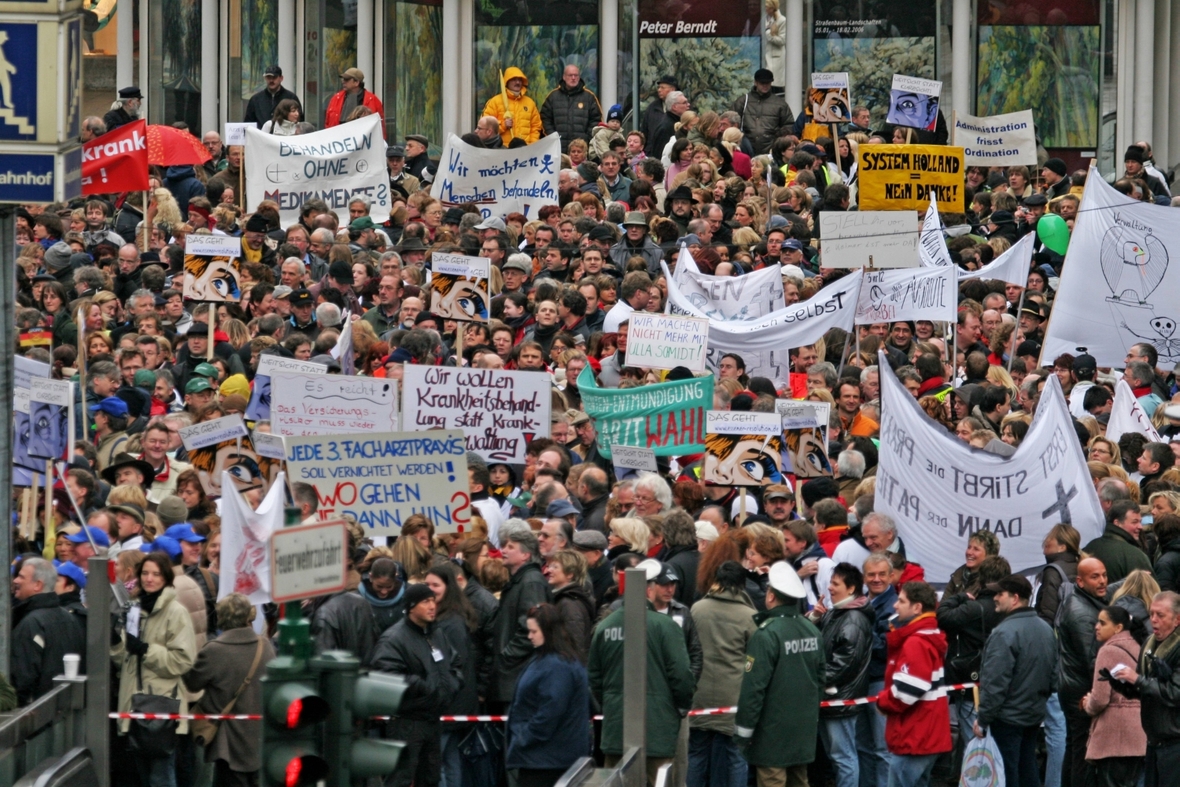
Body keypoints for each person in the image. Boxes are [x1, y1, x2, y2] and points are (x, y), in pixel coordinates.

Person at [589, 559, 695, 786]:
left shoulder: (605, 627)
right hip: (657, 729)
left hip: (617, 729)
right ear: (648, 589)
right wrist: (679, 707)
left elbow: (595, 679)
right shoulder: (666, 627)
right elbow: (682, 676)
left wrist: (612, 704)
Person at [734, 561, 824, 787]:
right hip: (802, 732)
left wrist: (743, 733)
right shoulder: (812, 630)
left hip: (771, 736)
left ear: (771, 597)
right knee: (799, 780)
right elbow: (820, 679)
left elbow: (754, 689)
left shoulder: (767, 634)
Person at [113, 553, 198, 787]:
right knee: (140, 777)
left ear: (166, 578)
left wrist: (146, 650)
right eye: (145, 573)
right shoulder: (133, 609)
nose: (149, 579)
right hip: (133, 702)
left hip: (162, 706)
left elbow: (182, 660)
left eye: (156, 574)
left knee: (162, 778)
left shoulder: (176, 612)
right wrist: (115, 643)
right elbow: (125, 660)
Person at [371, 583, 464, 787]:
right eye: (425, 602)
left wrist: (453, 683)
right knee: (400, 778)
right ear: (411, 606)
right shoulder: (394, 638)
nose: (432, 606)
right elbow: (385, 673)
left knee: (431, 778)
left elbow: (454, 661)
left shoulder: (435, 633)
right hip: (407, 722)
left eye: (433, 600)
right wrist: (421, 687)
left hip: (433, 719)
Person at [975, 575, 1060, 787]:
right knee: (1026, 768)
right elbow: (1054, 676)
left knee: (1007, 773)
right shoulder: (1045, 629)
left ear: (1014, 598)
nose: (995, 598)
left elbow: (995, 683)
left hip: (1007, 719)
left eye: (999, 594)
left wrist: (984, 718)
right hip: (1032, 716)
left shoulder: (1004, 633)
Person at [183, 593, 275, 787]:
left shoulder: (215, 650)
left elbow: (192, 683)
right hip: (259, 739)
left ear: (221, 617)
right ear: (249, 616)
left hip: (227, 743)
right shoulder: (265, 646)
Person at [504, 604, 593, 787]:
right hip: (548, 756)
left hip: (546, 760)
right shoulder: (555, 659)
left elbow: (550, 711)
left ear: (548, 631)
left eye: (534, 631)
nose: (529, 636)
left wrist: (524, 737)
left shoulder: (556, 665)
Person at [875, 581, 952, 787]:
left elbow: (906, 692)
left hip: (914, 736)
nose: (895, 605)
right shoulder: (926, 638)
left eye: (901, 601)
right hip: (923, 735)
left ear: (917, 607)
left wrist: (883, 702)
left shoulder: (915, 642)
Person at [689, 560, 757, 787]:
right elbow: (753, 659)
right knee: (736, 756)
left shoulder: (697, 609)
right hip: (734, 698)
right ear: (743, 583)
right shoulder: (749, 615)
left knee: (697, 754)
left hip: (699, 694)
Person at [1107, 591, 1180, 786]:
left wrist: (1137, 680)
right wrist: (1123, 685)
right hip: (1154, 740)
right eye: (1151, 614)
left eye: (1160, 615)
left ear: (1177, 619)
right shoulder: (1149, 644)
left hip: (1174, 742)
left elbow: (1175, 693)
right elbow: (1146, 690)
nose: (1153, 620)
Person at [817, 562, 875, 787]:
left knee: (844, 758)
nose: (830, 587)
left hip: (840, 700)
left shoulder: (853, 619)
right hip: (830, 698)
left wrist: (816, 679)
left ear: (851, 589)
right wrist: (815, 618)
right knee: (838, 757)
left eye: (835, 583)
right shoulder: (835, 614)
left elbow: (845, 663)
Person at [1080, 605, 1145, 787]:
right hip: (1138, 733)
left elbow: (1100, 699)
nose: (1096, 627)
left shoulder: (1108, 650)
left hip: (1114, 737)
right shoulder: (1139, 645)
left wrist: (1087, 704)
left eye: (1102, 623)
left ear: (1117, 628)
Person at [1058, 557, 1109, 787]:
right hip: (1080, 692)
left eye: (1104, 575)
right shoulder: (1081, 612)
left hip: (1074, 687)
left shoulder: (1084, 601)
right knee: (1082, 753)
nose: (1102, 581)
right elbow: (1093, 660)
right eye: (1095, 576)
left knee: (1075, 748)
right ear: (1080, 581)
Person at [490, 526, 552, 708]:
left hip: (516, 677)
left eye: (511, 547)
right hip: (512, 678)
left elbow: (531, 627)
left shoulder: (531, 582)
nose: (503, 550)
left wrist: (505, 657)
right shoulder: (520, 581)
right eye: (504, 546)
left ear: (525, 555)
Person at [11, 558, 86, 705]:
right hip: (66, 712)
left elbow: (22, 679)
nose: (16, 581)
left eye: (21, 577)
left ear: (37, 585)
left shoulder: (31, 623)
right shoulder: (70, 618)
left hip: (37, 715)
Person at [1084, 500, 1152, 583]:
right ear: (1117, 523)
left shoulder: (1089, 548)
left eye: (1140, 522)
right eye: (1134, 522)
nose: (1140, 527)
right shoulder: (1134, 555)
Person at [730, 69, 794, 155]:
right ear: (755, 82)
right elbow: (730, 121)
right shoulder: (743, 101)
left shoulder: (780, 104)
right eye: (762, 83)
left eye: (767, 83)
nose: (765, 85)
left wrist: (777, 137)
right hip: (745, 148)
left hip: (771, 150)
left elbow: (789, 124)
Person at [540, 64, 602, 152]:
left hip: (581, 150)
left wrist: (586, 138)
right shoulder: (553, 96)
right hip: (558, 149)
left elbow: (596, 120)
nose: (573, 78)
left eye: (576, 75)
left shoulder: (589, 97)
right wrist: (553, 136)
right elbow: (544, 118)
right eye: (570, 75)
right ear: (564, 77)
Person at [481, 66, 542, 146]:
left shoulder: (530, 103)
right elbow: (484, 127)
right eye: (514, 79)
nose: (517, 82)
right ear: (507, 81)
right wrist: (503, 125)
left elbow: (536, 127)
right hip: (502, 152)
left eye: (520, 80)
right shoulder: (495, 102)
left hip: (525, 153)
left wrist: (532, 147)